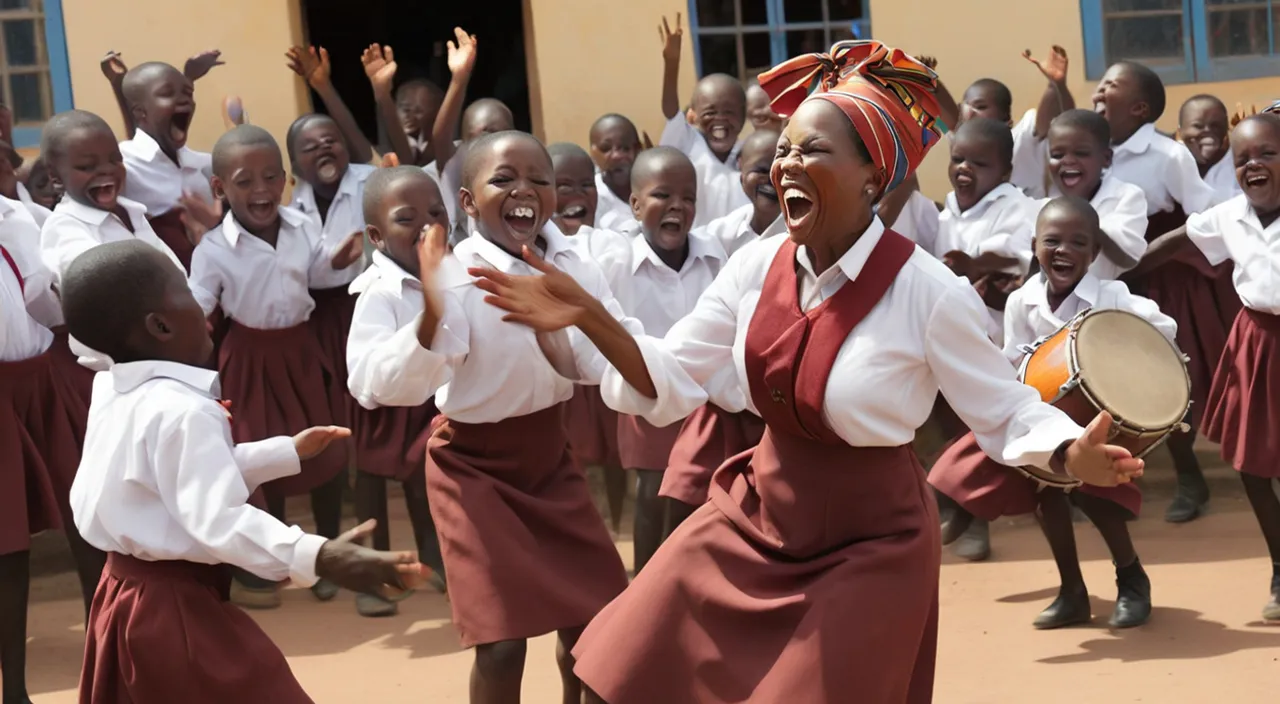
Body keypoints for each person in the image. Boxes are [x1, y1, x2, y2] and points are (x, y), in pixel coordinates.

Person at [470, 40, 1144, 703]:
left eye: (812, 151)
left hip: (872, 543)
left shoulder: (927, 291)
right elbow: (672, 380)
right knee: (622, 660)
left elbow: (1004, 407)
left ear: (873, 178)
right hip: (757, 516)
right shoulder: (753, 268)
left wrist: (1066, 450)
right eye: (785, 149)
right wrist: (592, 317)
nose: (785, 165)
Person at [61, 240, 427, 703]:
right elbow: (217, 518)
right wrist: (318, 555)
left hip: (125, 596)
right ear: (160, 325)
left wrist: (283, 453)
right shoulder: (181, 411)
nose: (202, 306)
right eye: (187, 294)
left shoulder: (112, 388)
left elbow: (166, 485)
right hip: (174, 609)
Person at [375, 130, 631, 703]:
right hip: (473, 469)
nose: (524, 191)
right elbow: (387, 386)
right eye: (503, 180)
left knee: (598, 626)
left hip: (549, 459)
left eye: (539, 180)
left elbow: (603, 358)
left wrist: (568, 337)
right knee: (502, 644)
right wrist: (433, 312)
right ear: (467, 203)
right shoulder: (455, 275)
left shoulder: (570, 261)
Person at [930, 197, 1175, 629]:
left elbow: (1162, 330)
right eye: (1052, 241)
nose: (1063, 250)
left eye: (1078, 242)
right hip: (1042, 421)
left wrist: (1117, 343)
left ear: (1095, 253)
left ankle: (1132, 579)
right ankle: (1072, 591)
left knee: (1096, 499)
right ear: (1034, 246)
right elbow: (1012, 361)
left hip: (1094, 421)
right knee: (1047, 499)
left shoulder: (1112, 295)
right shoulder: (1023, 301)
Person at [188, 126, 364, 608]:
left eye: (270, 178)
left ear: (285, 181)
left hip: (301, 350)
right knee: (265, 457)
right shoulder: (213, 250)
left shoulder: (303, 226)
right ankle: (274, 562)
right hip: (248, 357)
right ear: (220, 188)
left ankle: (327, 554)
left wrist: (344, 256)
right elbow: (199, 304)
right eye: (245, 181)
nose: (261, 190)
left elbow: (319, 271)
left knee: (323, 450)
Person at [1138, 113, 1280, 621]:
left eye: (1267, 153)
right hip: (1257, 342)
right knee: (1250, 463)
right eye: (1243, 159)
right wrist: (1121, 269)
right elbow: (1177, 242)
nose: (1253, 165)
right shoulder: (1229, 214)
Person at [1096, 60, 1225, 523]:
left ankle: (1191, 478)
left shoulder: (1167, 155)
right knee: (1114, 383)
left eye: (1110, 85)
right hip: (1106, 276)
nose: (1098, 91)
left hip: (1164, 276)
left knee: (1176, 379)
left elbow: (1204, 216)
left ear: (1139, 108)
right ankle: (1108, 484)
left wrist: (1153, 256)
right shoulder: (1092, 147)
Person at [597, 147, 727, 573]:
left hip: (704, 400)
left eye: (687, 198)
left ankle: (695, 584)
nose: (677, 206)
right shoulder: (616, 262)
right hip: (646, 395)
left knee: (704, 496)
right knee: (654, 493)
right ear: (635, 205)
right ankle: (649, 583)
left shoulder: (714, 258)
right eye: (662, 196)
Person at [0, 199, 105, 704]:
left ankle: (106, 648)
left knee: (85, 509)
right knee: (8, 543)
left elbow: (43, 303)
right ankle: (15, 690)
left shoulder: (18, 219)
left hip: (39, 380)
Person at [346, 166, 453, 616]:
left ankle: (435, 556)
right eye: (407, 218)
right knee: (372, 484)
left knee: (423, 479)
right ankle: (374, 576)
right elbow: (367, 370)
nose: (427, 226)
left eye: (436, 212)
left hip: (430, 398)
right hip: (382, 405)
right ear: (377, 234)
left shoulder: (454, 272)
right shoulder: (378, 292)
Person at [38, 110, 186, 401]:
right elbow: (109, 285)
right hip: (122, 377)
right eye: (87, 165)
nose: (106, 170)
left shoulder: (132, 214)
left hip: (167, 359)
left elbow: (174, 275)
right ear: (56, 177)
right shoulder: (65, 230)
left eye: (115, 160)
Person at [284, 45, 378, 445]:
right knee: (329, 392)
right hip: (317, 316)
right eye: (310, 147)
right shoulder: (289, 205)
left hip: (361, 304)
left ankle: (369, 456)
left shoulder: (367, 182)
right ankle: (340, 458)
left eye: (331, 141)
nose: (323, 148)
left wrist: (323, 86)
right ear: (293, 164)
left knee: (366, 385)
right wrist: (332, 261)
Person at [933, 117, 1037, 348]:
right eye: (958, 159)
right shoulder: (946, 213)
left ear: (1005, 173)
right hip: (950, 330)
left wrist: (974, 265)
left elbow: (1013, 258)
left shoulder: (1016, 206)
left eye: (979, 163)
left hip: (998, 338)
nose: (965, 167)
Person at [113, 60, 225, 270]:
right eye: (167, 93)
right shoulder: (124, 165)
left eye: (187, 93)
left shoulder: (206, 165)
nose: (184, 101)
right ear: (140, 113)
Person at [935, 46, 1074, 198]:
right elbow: (944, 119)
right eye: (967, 106)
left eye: (981, 107)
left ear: (1007, 121)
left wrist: (1056, 85)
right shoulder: (959, 141)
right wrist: (930, 81)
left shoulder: (1022, 137)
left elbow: (1058, 120)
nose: (971, 112)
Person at [657, 13, 750, 227]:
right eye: (710, 112)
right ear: (694, 116)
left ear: (744, 117)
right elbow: (670, 110)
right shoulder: (688, 142)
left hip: (740, 249)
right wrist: (671, 65)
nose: (719, 120)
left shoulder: (748, 153)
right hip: (697, 251)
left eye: (729, 112)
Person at [429, 28, 515, 244]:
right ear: (463, 142)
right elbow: (440, 136)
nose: (488, 144)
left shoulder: (522, 166)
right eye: (479, 136)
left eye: (497, 134)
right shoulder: (458, 166)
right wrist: (459, 79)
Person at [697, 128, 782, 258]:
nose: (772, 180)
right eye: (761, 170)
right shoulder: (721, 234)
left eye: (781, 172)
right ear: (741, 174)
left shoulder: (804, 238)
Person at [361, 43, 444, 167]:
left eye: (418, 111)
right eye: (405, 108)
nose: (409, 116)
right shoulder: (382, 152)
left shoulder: (438, 149)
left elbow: (407, 157)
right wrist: (382, 93)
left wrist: (383, 95)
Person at [587, 114, 642, 232]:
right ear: (593, 153)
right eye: (606, 148)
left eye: (625, 148)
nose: (617, 155)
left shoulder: (656, 191)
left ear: (638, 149)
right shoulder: (591, 199)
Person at [1179, 94, 1239, 201]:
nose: (1207, 131)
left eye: (1215, 126)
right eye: (1198, 126)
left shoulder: (1240, 165)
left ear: (1226, 129)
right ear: (1180, 132)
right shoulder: (1167, 164)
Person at [548, 142, 598, 236]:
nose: (578, 193)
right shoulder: (527, 247)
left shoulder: (612, 242)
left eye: (586, 185)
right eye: (565, 186)